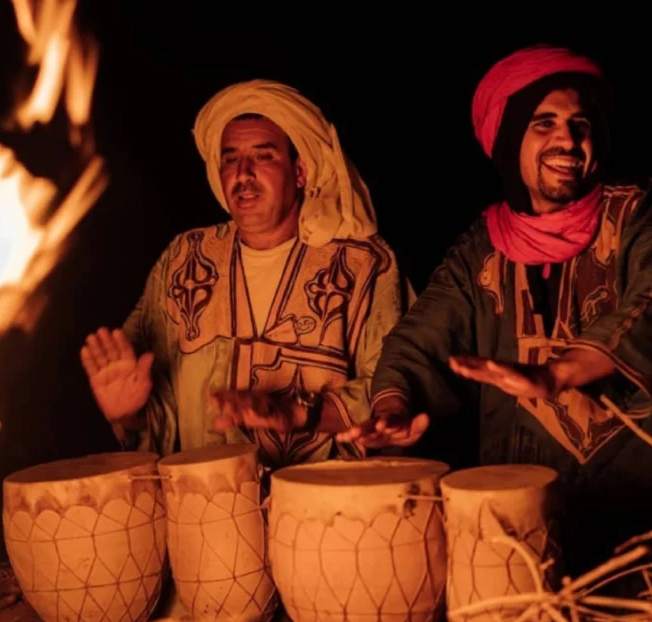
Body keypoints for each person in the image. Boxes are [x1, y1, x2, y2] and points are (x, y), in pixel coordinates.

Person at [339, 45, 652, 575]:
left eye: (580, 124)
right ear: (507, 141)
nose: (568, 140)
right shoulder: (483, 246)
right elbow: (419, 338)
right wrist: (391, 409)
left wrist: (557, 373)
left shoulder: (639, 212)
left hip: (635, 534)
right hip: (516, 533)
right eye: (542, 124)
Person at [81, 78, 409, 468]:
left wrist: (298, 412)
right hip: (202, 511)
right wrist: (126, 413)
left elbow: (397, 387)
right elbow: (158, 413)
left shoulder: (363, 264)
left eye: (263, 156)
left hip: (324, 517)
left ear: (301, 171)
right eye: (231, 158)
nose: (244, 172)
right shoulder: (185, 259)